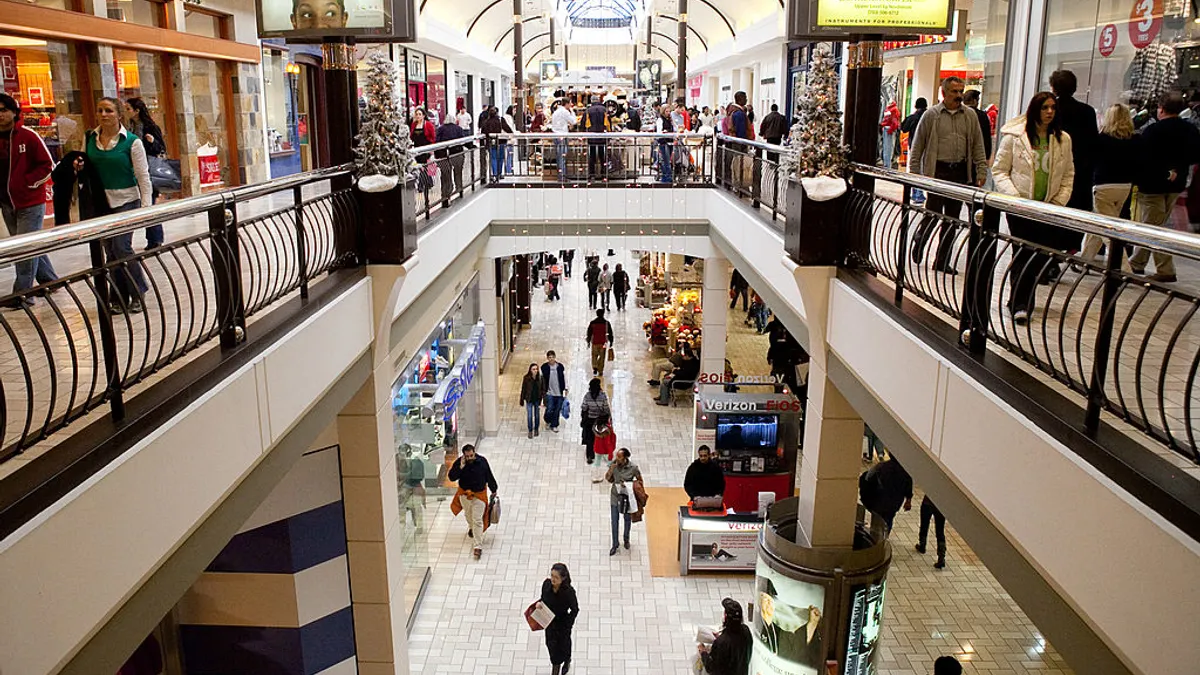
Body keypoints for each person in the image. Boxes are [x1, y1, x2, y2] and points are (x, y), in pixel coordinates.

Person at [992, 91, 1076, 325]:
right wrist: (1016, 198)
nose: (1049, 112)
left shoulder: (1062, 140)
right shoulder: (1015, 137)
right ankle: (1021, 304)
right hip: (1020, 208)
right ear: (1035, 110)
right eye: (1044, 107)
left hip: (1047, 209)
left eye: (1052, 108)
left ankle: (1018, 298)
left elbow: (1068, 173)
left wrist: (1059, 201)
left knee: (1040, 256)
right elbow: (1000, 170)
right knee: (1023, 252)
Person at [908, 77, 989, 273]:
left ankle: (942, 261)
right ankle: (921, 239)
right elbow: (917, 145)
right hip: (938, 171)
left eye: (961, 91)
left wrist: (981, 170)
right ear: (944, 93)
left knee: (952, 219)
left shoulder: (970, 116)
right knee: (933, 213)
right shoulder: (931, 115)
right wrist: (915, 174)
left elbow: (978, 145)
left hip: (960, 172)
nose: (959, 95)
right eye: (954, 91)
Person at [88, 96, 152, 315]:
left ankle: (138, 290)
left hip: (127, 199)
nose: (104, 115)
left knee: (121, 246)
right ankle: (118, 295)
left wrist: (146, 206)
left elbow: (143, 176)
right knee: (110, 251)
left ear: (118, 114)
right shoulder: (90, 138)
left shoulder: (132, 141)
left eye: (108, 110)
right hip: (102, 203)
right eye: (100, 110)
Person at [1129, 90, 1200, 283]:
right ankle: (1137, 262)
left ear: (1161, 109)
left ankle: (1165, 268)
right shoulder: (1190, 130)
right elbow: (1195, 155)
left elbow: (1144, 159)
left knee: (1154, 227)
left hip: (1152, 185)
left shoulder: (1153, 131)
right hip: (1176, 185)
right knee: (1156, 223)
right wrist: (1177, 169)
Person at [0, 93, 58, 310]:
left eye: (4, 110)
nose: (1, 115)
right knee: (28, 244)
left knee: (22, 249)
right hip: (7, 203)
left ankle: (23, 294)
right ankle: (50, 280)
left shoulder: (28, 136)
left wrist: (29, 183)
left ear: (14, 112)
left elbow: (47, 165)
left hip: (30, 202)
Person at [1083, 104, 1141, 263]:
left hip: (1103, 186)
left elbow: (1090, 161)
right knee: (1101, 222)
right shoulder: (1135, 139)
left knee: (1106, 229)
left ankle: (1122, 266)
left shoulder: (1101, 139)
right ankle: (1085, 260)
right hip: (1124, 187)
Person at [1050, 70, 1098, 222]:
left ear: (1053, 88)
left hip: (1053, 174)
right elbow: (1093, 145)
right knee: (1075, 223)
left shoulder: (1049, 111)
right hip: (1080, 177)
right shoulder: (1087, 112)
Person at [124, 98, 167, 250]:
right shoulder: (128, 127)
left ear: (137, 111)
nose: (126, 111)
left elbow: (161, 148)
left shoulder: (149, 127)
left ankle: (155, 238)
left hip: (149, 170)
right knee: (144, 204)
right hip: (134, 170)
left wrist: (151, 141)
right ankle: (153, 238)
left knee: (150, 204)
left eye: (128, 108)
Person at [447, 444, 498, 559]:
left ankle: (477, 546)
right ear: (464, 456)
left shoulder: (482, 462)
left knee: (478, 520)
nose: (470, 458)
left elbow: (489, 475)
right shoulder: (459, 463)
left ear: (474, 453)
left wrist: (493, 489)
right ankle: (472, 528)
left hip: (479, 495)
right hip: (464, 495)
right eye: (467, 456)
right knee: (468, 515)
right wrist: (460, 467)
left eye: (471, 455)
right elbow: (451, 477)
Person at [539, 563, 579, 675]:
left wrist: (568, 624)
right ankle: (556, 664)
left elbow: (575, 609)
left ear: (563, 578)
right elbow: (543, 599)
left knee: (564, 645)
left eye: (556, 577)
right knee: (551, 646)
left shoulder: (569, 592)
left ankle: (566, 661)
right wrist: (539, 605)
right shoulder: (546, 585)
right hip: (549, 623)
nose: (553, 579)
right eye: (552, 576)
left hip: (562, 624)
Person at [698, 598, 752, 675]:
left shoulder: (721, 642)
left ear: (726, 617)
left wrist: (703, 652)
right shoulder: (746, 631)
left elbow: (711, 667)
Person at [858, 457, 912, 532]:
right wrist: (908, 500)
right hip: (895, 502)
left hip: (879, 499)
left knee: (877, 520)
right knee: (889, 519)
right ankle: (885, 536)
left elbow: (867, 477)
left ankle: (875, 536)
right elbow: (908, 487)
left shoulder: (881, 466)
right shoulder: (905, 471)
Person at [605, 448, 642, 555]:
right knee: (614, 520)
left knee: (627, 519)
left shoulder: (633, 468)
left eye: (619, 457)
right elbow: (607, 478)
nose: (617, 459)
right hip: (615, 496)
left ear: (625, 458)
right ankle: (615, 544)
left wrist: (629, 485)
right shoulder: (613, 464)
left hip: (626, 496)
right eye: (616, 456)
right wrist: (611, 469)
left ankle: (626, 539)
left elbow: (640, 480)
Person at [435, 115, 468, 209]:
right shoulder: (458, 129)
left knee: (445, 176)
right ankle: (459, 190)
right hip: (457, 154)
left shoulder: (440, 129)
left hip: (444, 155)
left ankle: (445, 197)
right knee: (458, 173)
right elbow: (462, 141)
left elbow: (437, 142)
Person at [580, 377, 611, 465]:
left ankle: (590, 456)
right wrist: (608, 417)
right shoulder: (603, 396)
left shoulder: (587, 396)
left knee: (589, 438)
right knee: (600, 436)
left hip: (590, 420)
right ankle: (600, 452)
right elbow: (606, 408)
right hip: (599, 421)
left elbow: (584, 407)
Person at [481, 105, 512, 182]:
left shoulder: (486, 122)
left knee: (493, 158)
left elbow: (483, 132)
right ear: (497, 113)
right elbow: (508, 129)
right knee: (500, 158)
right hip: (501, 142)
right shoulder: (501, 120)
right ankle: (499, 173)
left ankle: (494, 174)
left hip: (491, 142)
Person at [915, 495, 948, 569]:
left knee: (924, 524)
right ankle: (941, 557)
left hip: (928, 502)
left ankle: (922, 545)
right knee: (940, 532)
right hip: (940, 506)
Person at [582, 95, 609, 179]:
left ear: (591, 101)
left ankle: (592, 174)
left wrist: (583, 133)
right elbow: (608, 123)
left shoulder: (588, 111)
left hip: (591, 136)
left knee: (592, 156)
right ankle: (604, 174)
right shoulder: (604, 110)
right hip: (602, 136)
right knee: (603, 155)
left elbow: (583, 123)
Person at [541, 350, 568, 432]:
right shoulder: (544, 368)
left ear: (555, 357)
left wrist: (566, 388)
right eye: (549, 357)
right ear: (547, 358)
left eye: (552, 357)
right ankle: (547, 420)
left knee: (557, 409)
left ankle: (554, 424)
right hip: (549, 393)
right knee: (549, 408)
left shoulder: (560, 367)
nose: (551, 359)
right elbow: (541, 379)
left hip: (559, 393)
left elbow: (564, 378)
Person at [961, 90, 993, 161]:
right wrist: (987, 155)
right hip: (976, 154)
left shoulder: (958, 114)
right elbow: (986, 135)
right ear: (974, 101)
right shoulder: (981, 115)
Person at [410, 108, 436, 194]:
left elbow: (432, 137)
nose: (417, 116)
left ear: (424, 116)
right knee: (420, 166)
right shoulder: (414, 125)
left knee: (424, 166)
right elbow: (411, 136)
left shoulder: (428, 125)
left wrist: (431, 149)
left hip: (426, 149)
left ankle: (421, 184)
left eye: (419, 114)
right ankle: (429, 182)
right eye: (416, 114)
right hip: (417, 149)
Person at [551, 99, 576, 180]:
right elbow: (573, 121)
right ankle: (562, 177)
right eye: (570, 103)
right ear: (567, 104)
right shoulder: (565, 112)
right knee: (562, 157)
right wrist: (572, 111)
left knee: (559, 157)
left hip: (556, 135)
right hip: (562, 136)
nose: (571, 104)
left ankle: (561, 175)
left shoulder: (556, 111)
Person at [585, 308, 614, 376]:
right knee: (602, 356)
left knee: (594, 355)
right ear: (603, 314)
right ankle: (600, 370)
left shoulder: (593, 323)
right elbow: (610, 332)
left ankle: (595, 366)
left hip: (595, 342)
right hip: (603, 343)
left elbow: (589, 332)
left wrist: (588, 341)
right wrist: (611, 341)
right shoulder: (606, 323)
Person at [520, 363, 544, 438]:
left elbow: (543, 389)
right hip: (529, 399)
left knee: (537, 415)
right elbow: (523, 389)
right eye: (533, 369)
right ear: (530, 370)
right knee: (529, 415)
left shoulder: (540, 378)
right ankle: (530, 430)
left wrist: (544, 400)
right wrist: (521, 399)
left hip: (537, 399)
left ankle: (536, 428)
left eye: (536, 369)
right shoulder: (526, 378)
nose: (535, 371)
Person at [880, 100, 901, 169]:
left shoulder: (893, 109)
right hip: (887, 129)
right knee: (887, 148)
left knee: (888, 148)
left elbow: (894, 122)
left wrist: (890, 130)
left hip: (888, 130)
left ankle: (887, 166)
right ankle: (886, 165)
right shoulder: (891, 109)